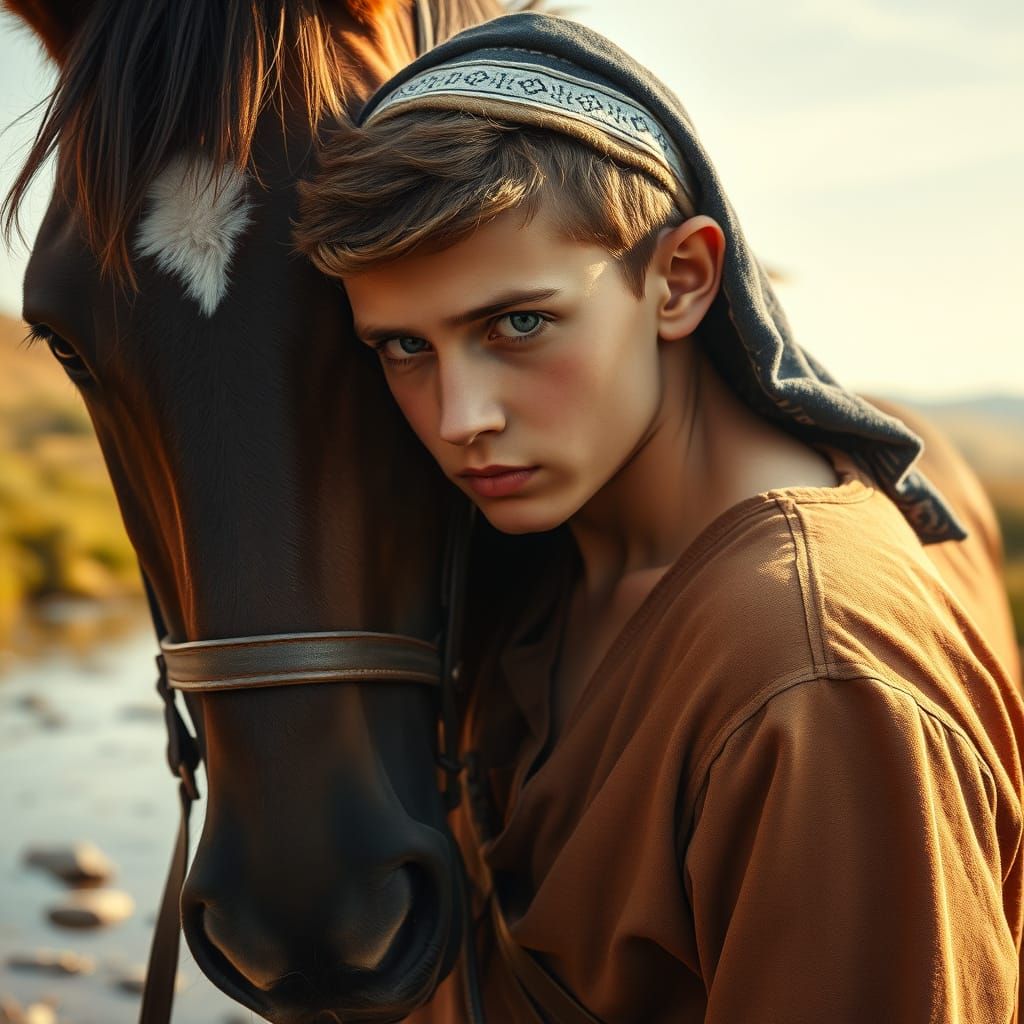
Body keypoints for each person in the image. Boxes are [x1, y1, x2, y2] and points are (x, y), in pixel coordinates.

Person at [295, 12, 1024, 1023]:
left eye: (519, 323)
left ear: (678, 279)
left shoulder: (809, 678)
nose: (460, 420)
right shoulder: (534, 556)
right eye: (404, 349)